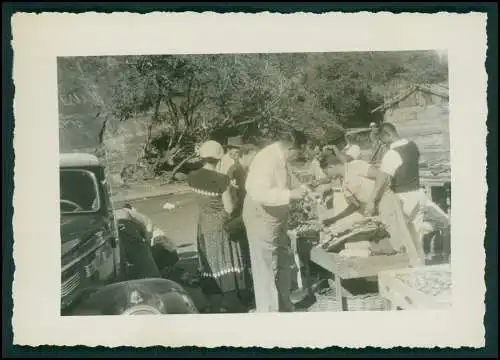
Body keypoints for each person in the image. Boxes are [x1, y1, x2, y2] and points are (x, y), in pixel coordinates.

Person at [242, 128, 309, 313]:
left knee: (283, 260)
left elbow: (290, 177)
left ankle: (285, 305)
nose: (299, 157)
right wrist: (290, 194)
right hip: (260, 214)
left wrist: (303, 189)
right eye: (299, 153)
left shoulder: (282, 158)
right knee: (264, 266)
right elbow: (258, 192)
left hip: (277, 217)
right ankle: (269, 312)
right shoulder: (266, 159)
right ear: (291, 149)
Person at [317, 160, 425, 265]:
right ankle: (393, 269)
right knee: (386, 243)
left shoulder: (355, 165)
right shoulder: (343, 183)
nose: (328, 176)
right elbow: (354, 205)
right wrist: (334, 219)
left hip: (385, 201)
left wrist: (372, 200)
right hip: (375, 211)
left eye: (326, 172)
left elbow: (382, 176)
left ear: (331, 166)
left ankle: (413, 266)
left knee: (400, 238)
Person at [188, 140, 249, 313]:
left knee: (210, 259)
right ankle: (229, 300)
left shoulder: (191, 177)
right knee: (225, 257)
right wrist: (234, 193)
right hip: (220, 223)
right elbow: (229, 208)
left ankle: (213, 298)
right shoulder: (222, 180)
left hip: (203, 222)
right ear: (219, 158)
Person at [365, 122, 427, 264]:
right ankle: (421, 270)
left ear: (388, 134)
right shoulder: (412, 146)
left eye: (383, 140)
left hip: (403, 196)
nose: (383, 144)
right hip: (418, 194)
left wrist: (372, 200)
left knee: (402, 239)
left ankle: (408, 271)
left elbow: (382, 180)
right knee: (417, 237)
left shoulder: (392, 154)